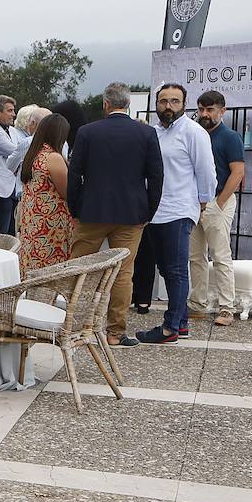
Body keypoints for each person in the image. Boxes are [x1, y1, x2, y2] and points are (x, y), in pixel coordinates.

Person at [66, 82, 165, 349]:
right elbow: (156, 177)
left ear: (105, 104)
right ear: (128, 103)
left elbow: (75, 175)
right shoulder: (146, 133)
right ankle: (115, 331)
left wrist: (74, 209)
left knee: (79, 269)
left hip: (92, 211)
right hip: (132, 213)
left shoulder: (87, 132)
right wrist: (149, 211)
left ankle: (72, 326)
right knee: (123, 273)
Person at [136, 83, 216, 344]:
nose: (168, 106)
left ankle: (170, 327)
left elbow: (206, 171)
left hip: (180, 209)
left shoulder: (193, 132)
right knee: (167, 269)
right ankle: (180, 324)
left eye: (174, 101)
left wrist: (203, 201)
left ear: (184, 104)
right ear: (156, 104)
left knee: (177, 270)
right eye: (163, 101)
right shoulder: (154, 133)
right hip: (155, 211)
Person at [190, 90, 246, 327]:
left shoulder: (230, 137)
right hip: (194, 202)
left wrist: (220, 202)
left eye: (210, 109)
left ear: (222, 111)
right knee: (195, 256)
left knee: (221, 256)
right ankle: (198, 304)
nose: (205, 114)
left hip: (217, 200)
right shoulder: (195, 134)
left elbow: (238, 172)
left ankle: (226, 308)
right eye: (201, 109)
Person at [16, 113, 73, 274]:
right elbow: (67, 191)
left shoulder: (33, 155)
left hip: (33, 225)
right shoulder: (53, 157)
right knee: (50, 269)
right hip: (51, 228)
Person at [0, 95, 29, 235]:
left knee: (11, 230)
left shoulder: (11, 130)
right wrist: (21, 149)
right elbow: (16, 151)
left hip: (11, 187)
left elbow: (22, 149)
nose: (13, 114)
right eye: (10, 111)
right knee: (0, 230)